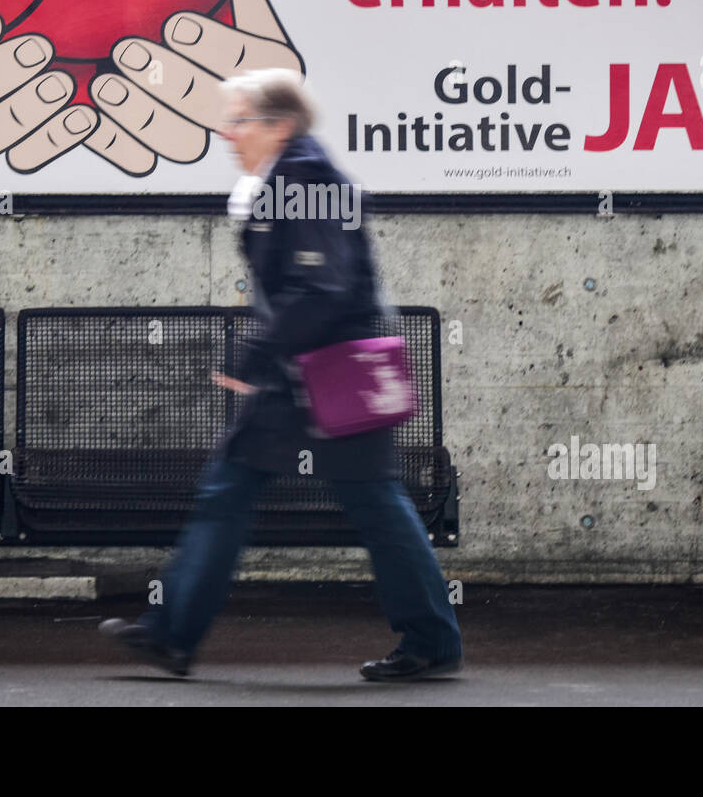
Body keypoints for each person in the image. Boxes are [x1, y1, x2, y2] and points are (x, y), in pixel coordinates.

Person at [100, 68, 463, 681]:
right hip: (306, 371)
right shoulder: (284, 179)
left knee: (362, 498)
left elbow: (320, 288)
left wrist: (254, 357)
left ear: (281, 125)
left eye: (239, 120)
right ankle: (173, 633)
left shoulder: (308, 180)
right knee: (243, 489)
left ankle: (430, 638)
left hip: (329, 370)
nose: (225, 133)